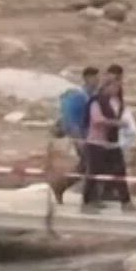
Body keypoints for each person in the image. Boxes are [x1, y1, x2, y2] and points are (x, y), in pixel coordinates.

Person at [83, 66, 136, 212]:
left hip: (113, 143)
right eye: (113, 85)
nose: (117, 88)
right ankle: (87, 203)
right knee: (94, 172)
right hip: (97, 142)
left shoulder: (117, 102)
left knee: (120, 171)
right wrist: (116, 123)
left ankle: (126, 202)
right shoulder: (96, 101)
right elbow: (97, 120)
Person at [52, 66, 99, 204]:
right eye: (94, 77)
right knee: (89, 165)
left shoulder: (92, 96)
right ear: (87, 78)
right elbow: (71, 118)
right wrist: (78, 138)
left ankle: (62, 187)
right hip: (81, 136)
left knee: (87, 166)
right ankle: (63, 187)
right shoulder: (79, 96)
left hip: (91, 136)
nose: (97, 80)